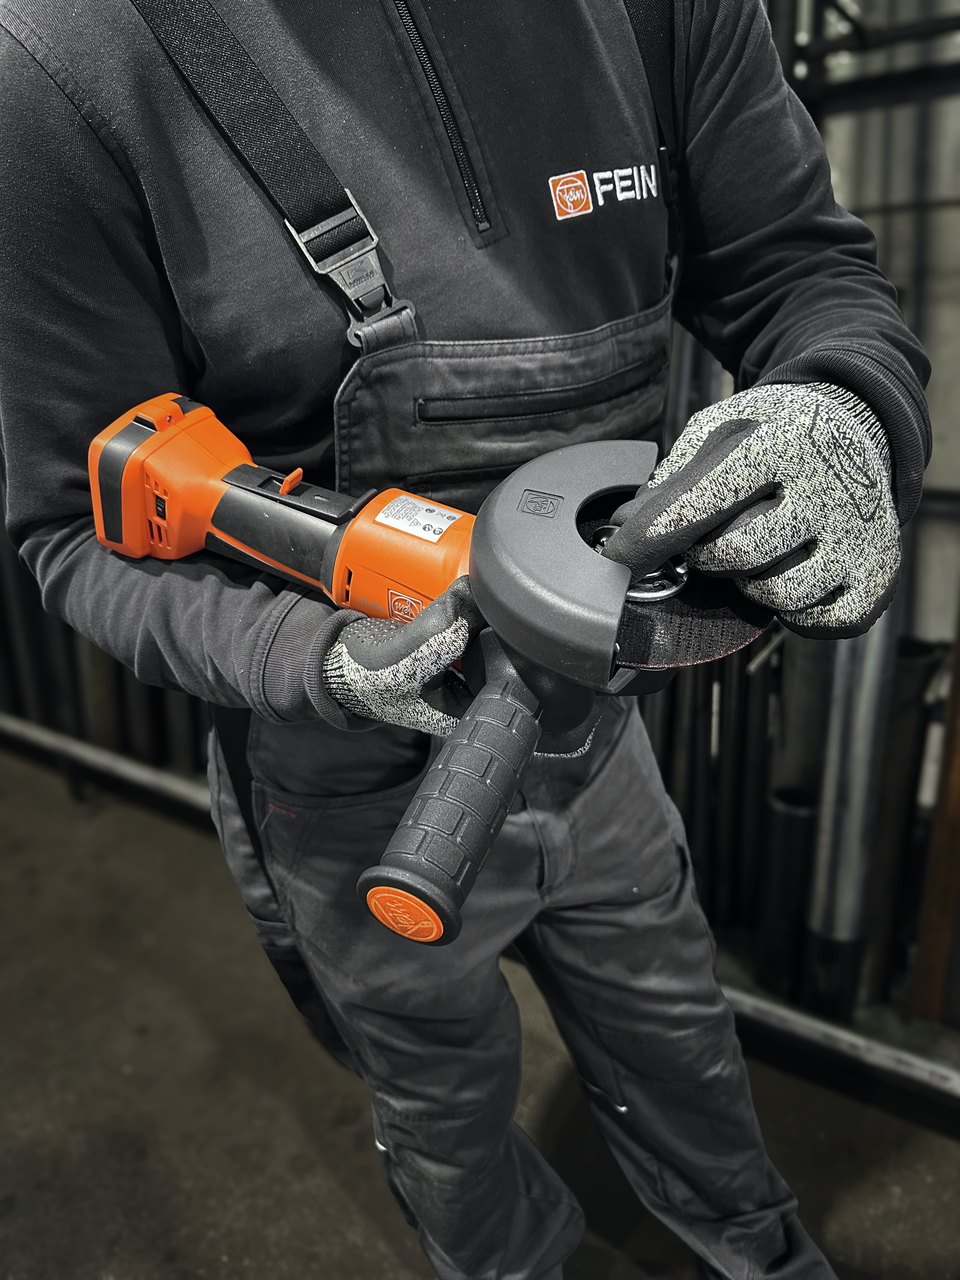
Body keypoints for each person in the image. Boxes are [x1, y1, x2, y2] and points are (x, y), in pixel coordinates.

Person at [0, 1, 929, 1277]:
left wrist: (846, 403)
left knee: (682, 1041)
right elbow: (72, 527)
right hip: (347, 783)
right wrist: (314, 660)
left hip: (594, 731)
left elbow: (799, 268)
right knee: (445, 1114)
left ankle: (757, 1252)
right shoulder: (60, 60)